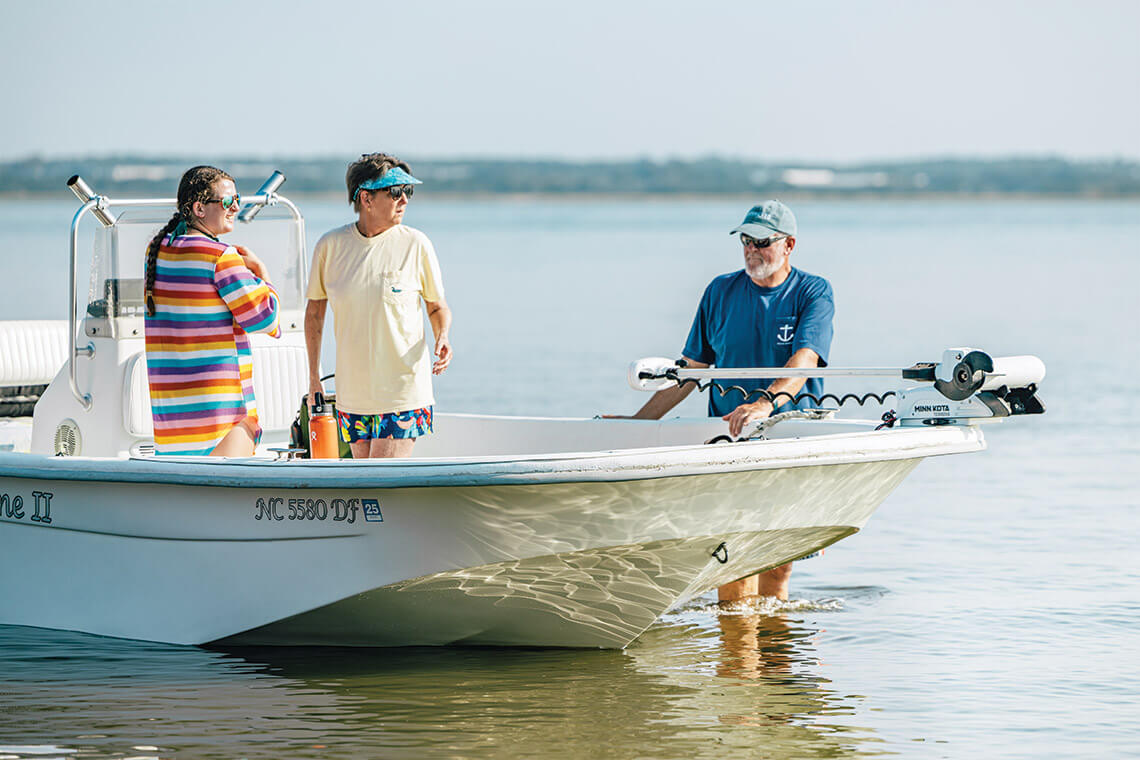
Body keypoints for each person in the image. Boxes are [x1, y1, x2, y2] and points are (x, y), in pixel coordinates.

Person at [628, 200, 834, 602]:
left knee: (778, 570)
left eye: (761, 241)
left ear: (789, 244)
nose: (751, 250)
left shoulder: (813, 291)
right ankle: (736, 660)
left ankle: (777, 661)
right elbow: (689, 370)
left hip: (791, 442)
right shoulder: (720, 291)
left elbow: (805, 359)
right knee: (735, 566)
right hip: (730, 444)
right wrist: (635, 422)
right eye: (744, 241)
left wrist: (766, 403)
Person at [304, 153, 452, 459]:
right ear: (366, 198)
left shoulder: (417, 244)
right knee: (368, 485)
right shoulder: (329, 247)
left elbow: (436, 307)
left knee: (379, 480)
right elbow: (315, 316)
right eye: (395, 192)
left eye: (408, 192)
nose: (405, 200)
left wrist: (443, 336)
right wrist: (313, 378)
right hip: (352, 398)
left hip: (403, 394)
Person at [143, 165, 281, 457]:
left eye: (238, 201)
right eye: (228, 202)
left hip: (173, 423)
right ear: (199, 208)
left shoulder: (156, 253)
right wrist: (262, 273)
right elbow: (265, 317)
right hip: (223, 417)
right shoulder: (221, 257)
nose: (235, 208)